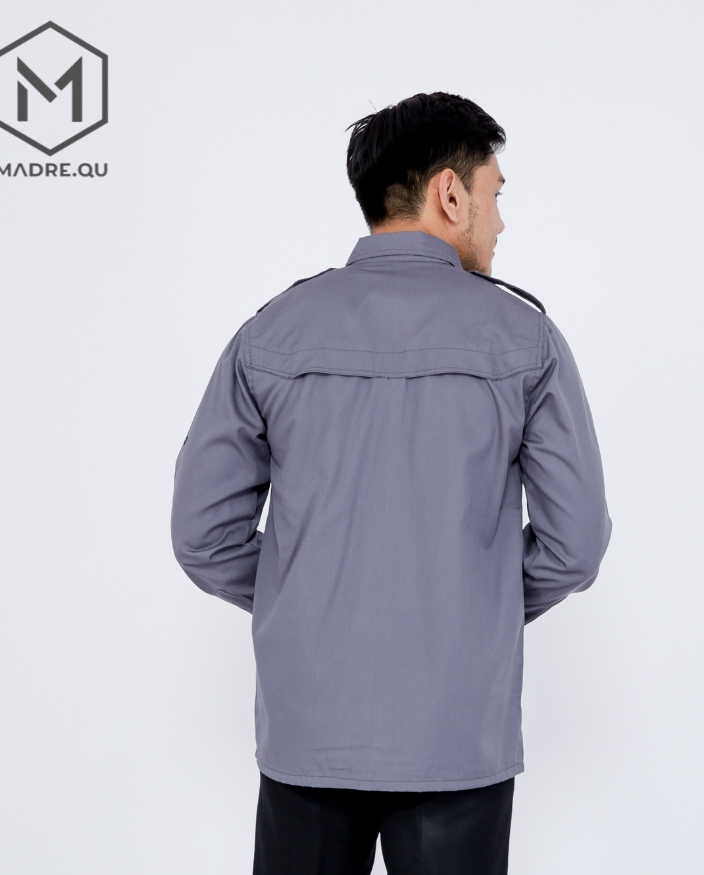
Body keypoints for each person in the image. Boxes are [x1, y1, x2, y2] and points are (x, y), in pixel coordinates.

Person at [170, 91, 612, 875]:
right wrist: (471, 605)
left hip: (309, 728)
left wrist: (308, 598)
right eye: (494, 194)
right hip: (455, 733)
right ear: (450, 194)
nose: (500, 221)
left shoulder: (271, 331)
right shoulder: (524, 338)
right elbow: (573, 544)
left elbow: (202, 536)